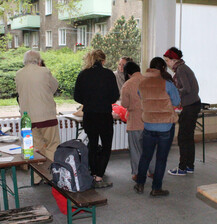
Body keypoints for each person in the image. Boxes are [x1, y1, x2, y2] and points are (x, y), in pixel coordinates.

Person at [134, 57, 180, 196]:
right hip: (165, 126)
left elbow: (140, 96)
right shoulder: (167, 85)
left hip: (148, 125)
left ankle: (140, 184)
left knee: (145, 156)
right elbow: (177, 101)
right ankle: (156, 188)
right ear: (163, 69)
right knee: (161, 158)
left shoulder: (141, 84)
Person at [74, 49, 120, 188]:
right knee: (106, 146)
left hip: (89, 115)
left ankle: (93, 174)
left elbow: (76, 96)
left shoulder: (83, 74)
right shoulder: (108, 74)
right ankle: (99, 176)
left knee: (92, 145)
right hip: (104, 115)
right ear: (103, 61)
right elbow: (115, 96)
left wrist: (88, 101)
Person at [15, 50, 60, 184]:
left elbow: (19, 92)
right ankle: (50, 176)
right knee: (52, 145)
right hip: (46, 116)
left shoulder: (18, 74)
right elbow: (54, 87)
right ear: (39, 61)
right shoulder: (44, 71)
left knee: (36, 148)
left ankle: (36, 177)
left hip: (28, 118)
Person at [163, 47, 201, 176]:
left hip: (190, 106)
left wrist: (173, 92)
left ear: (174, 60)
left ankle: (183, 167)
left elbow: (186, 88)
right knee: (188, 137)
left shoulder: (180, 70)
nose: (167, 63)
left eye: (167, 60)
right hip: (193, 105)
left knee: (183, 138)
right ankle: (190, 166)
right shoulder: (183, 68)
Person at [121, 62, 144, 182]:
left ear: (127, 73)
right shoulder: (148, 80)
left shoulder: (128, 84)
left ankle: (137, 173)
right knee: (150, 148)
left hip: (135, 120)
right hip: (150, 120)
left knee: (135, 148)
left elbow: (124, 104)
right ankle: (153, 170)